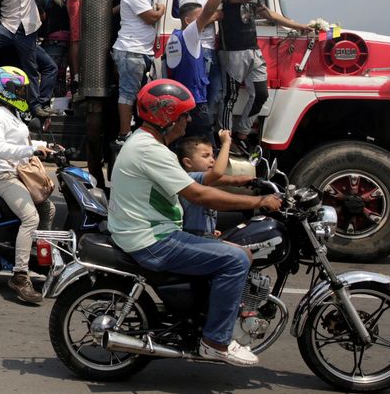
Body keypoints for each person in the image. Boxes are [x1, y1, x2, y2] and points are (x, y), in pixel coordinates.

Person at [107, 78, 281, 366]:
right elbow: (199, 194)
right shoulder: (151, 150)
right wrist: (258, 203)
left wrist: (249, 184)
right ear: (167, 116)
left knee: (239, 249)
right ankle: (215, 341)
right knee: (236, 260)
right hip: (153, 240)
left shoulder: (144, 143)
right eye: (183, 114)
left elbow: (207, 182)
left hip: (149, 232)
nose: (187, 120)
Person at [0, 66, 56, 305]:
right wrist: (31, 149)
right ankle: (20, 275)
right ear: (5, 90)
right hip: (2, 175)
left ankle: (38, 258)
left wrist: (46, 146)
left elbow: (22, 141)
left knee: (49, 209)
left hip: (19, 173)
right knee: (30, 218)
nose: (23, 93)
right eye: (19, 89)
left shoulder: (11, 112)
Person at [219, 0, 311, 149]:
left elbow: (270, 15)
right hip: (233, 51)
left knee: (261, 93)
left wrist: (298, 26)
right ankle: (224, 137)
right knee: (230, 96)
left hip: (252, 49)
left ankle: (242, 133)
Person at [165, 0, 228, 137]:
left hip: (192, 94)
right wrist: (214, 14)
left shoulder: (177, 36)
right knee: (212, 97)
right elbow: (205, 15)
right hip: (197, 95)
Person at [112, 0, 165, 142]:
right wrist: (161, 10)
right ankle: (124, 134)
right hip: (131, 50)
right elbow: (151, 18)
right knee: (127, 94)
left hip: (140, 51)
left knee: (138, 95)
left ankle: (133, 130)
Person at [174, 132, 253, 238]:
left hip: (204, 233)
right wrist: (226, 143)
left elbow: (233, 180)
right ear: (188, 163)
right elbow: (217, 173)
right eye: (205, 156)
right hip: (195, 236)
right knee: (241, 252)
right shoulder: (190, 177)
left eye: (212, 156)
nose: (212, 160)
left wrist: (253, 180)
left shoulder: (203, 179)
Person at [177, 0, 223, 128]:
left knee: (215, 92)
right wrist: (217, 15)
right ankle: (201, 129)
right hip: (200, 49)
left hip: (208, 47)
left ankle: (205, 129)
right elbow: (194, 22)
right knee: (205, 94)